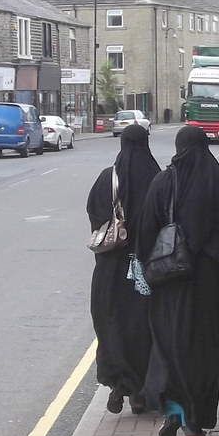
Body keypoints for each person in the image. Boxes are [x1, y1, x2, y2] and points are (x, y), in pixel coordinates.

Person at [135, 125, 219, 436]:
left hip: (171, 280)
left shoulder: (164, 181)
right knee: (205, 350)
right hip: (210, 281)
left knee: (170, 346)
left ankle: (174, 411)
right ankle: (195, 421)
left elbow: (146, 232)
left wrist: (146, 270)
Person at [86, 123, 162, 416]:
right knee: (144, 328)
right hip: (146, 268)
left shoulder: (108, 178)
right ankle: (141, 393)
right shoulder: (157, 178)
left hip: (110, 269)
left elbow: (95, 216)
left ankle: (119, 383)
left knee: (112, 326)